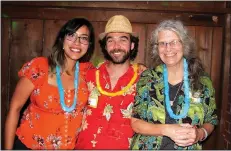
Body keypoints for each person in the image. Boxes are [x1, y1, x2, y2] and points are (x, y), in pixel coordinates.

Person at [4, 18, 95, 149]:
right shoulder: (39, 67)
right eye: (71, 36)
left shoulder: (89, 72)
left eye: (84, 38)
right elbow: (15, 109)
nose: (77, 43)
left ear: (89, 45)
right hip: (29, 145)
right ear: (62, 40)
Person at [130, 20, 218, 150]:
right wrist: (166, 129)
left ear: (184, 44)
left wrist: (199, 134)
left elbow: (211, 120)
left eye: (174, 42)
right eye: (162, 43)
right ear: (157, 48)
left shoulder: (202, 80)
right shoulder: (148, 78)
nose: (168, 48)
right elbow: (136, 123)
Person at [75, 15, 146, 149]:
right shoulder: (88, 73)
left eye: (122, 40)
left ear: (132, 45)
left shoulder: (144, 79)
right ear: (105, 46)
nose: (116, 46)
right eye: (110, 40)